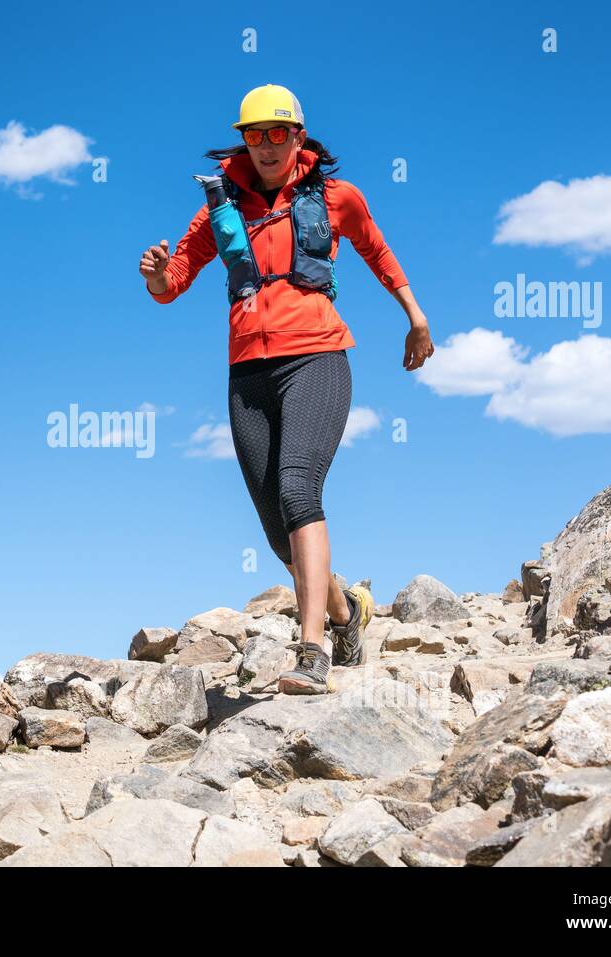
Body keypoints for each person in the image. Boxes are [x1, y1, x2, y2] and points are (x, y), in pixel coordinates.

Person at [139, 83, 435, 694]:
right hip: (247, 371)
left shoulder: (335, 196)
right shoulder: (220, 208)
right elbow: (174, 286)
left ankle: (312, 650)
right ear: (243, 140)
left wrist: (416, 317)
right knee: (278, 530)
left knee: (299, 486)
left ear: (299, 136)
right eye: (256, 134)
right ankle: (346, 612)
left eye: (280, 133)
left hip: (318, 358)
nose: (268, 145)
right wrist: (158, 275)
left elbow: (377, 251)